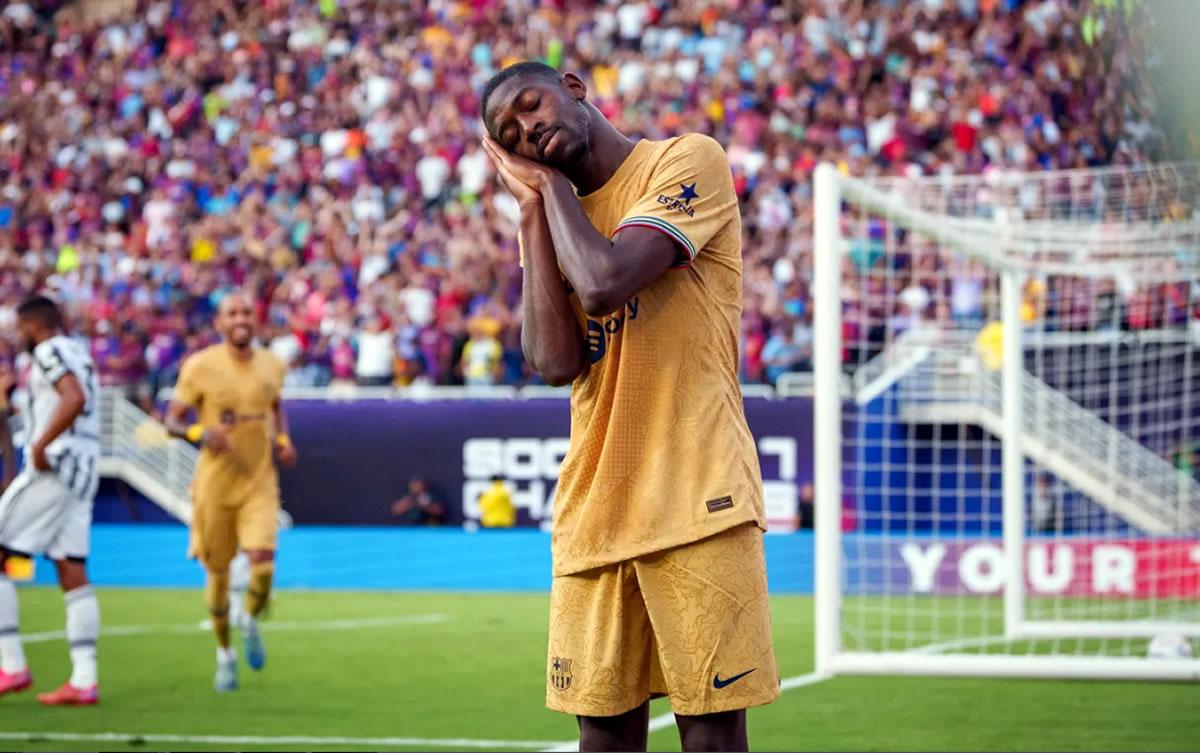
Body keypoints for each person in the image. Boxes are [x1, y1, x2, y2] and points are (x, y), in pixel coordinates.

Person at [481, 61, 778, 752]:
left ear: (575, 88)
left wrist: (550, 185)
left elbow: (605, 282)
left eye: (532, 105)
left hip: (697, 493)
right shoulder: (556, 218)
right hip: (595, 506)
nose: (528, 128)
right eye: (511, 132)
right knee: (605, 735)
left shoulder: (686, 159)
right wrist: (532, 212)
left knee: (708, 732)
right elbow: (554, 362)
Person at [163, 292, 297, 692]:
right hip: (214, 486)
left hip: (259, 481)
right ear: (219, 324)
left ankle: (250, 621)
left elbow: (275, 405)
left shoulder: (273, 365)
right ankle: (225, 655)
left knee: (263, 565)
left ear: (255, 320)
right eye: (232, 313)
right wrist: (198, 433)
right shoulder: (200, 366)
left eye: (246, 312)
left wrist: (285, 438)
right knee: (218, 577)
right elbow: (171, 420)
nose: (240, 319)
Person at [0, 296, 102, 705]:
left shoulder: (47, 351)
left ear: (33, 325)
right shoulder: (79, 351)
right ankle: (84, 679)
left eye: (19, 329)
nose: (17, 337)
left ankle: (11, 664)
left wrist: (41, 444)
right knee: (72, 569)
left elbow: (72, 397)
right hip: (84, 468)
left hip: (56, 465)